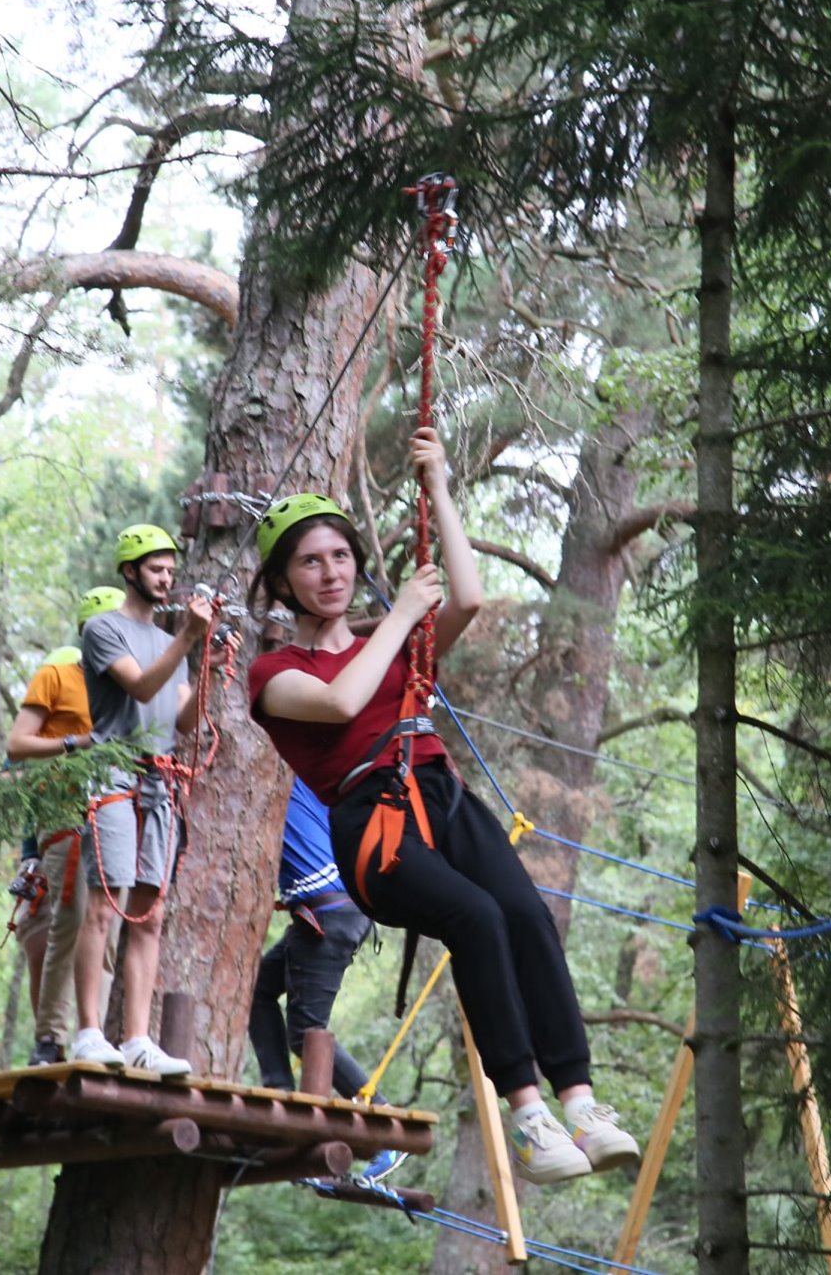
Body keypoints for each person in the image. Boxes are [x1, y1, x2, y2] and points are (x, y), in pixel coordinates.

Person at [245, 428, 641, 1185]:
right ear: (283, 581)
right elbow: (341, 699)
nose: (331, 572)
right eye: (310, 561)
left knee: (525, 914)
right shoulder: (275, 672)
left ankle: (580, 1101)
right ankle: (528, 1114)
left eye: (340, 556)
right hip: (372, 826)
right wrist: (399, 616)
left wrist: (441, 489)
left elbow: (467, 598)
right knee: (476, 917)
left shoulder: (389, 642)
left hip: (441, 795)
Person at [69, 523, 222, 1078]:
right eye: (156, 569)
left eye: (170, 570)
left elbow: (181, 719)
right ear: (130, 571)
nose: (166, 578)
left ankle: (137, 1038)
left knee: (149, 915)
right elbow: (138, 686)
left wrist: (206, 669)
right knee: (104, 905)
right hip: (114, 774)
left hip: (160, 782)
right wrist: (188, 638)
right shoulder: (103, 629)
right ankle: (88, 1032)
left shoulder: (170, 644)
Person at [250, 775, 406, 1182]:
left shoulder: (281, 779)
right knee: (258, 989)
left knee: (306, 1033)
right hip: (330, 911)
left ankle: (384, 1124)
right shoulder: (307, 782)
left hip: (328, 914)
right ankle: (280, 1092)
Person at [3, 587, 126, 1066]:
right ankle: (50, 1038)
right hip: (67, 812)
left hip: (118, 812)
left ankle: (92, 1038)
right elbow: (17, 747)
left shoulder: (131, 687)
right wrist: (77, 743)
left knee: (106, 930)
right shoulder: (57, 675)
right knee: (70, 920)